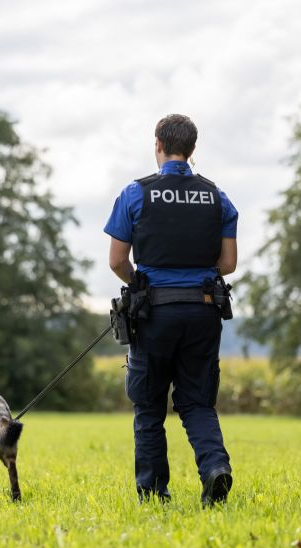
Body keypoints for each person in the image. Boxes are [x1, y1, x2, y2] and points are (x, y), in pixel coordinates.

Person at [104, 114, 238, 506]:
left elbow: (116, 262)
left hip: (154, 316)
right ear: (192, 149)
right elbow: (227, 264)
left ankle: (153, 493)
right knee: (197, 402)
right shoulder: (217, 196)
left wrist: (139, 282)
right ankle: (215, 469)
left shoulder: (135, 194)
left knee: (148, 405)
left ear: (157, 144)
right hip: (203, 310)